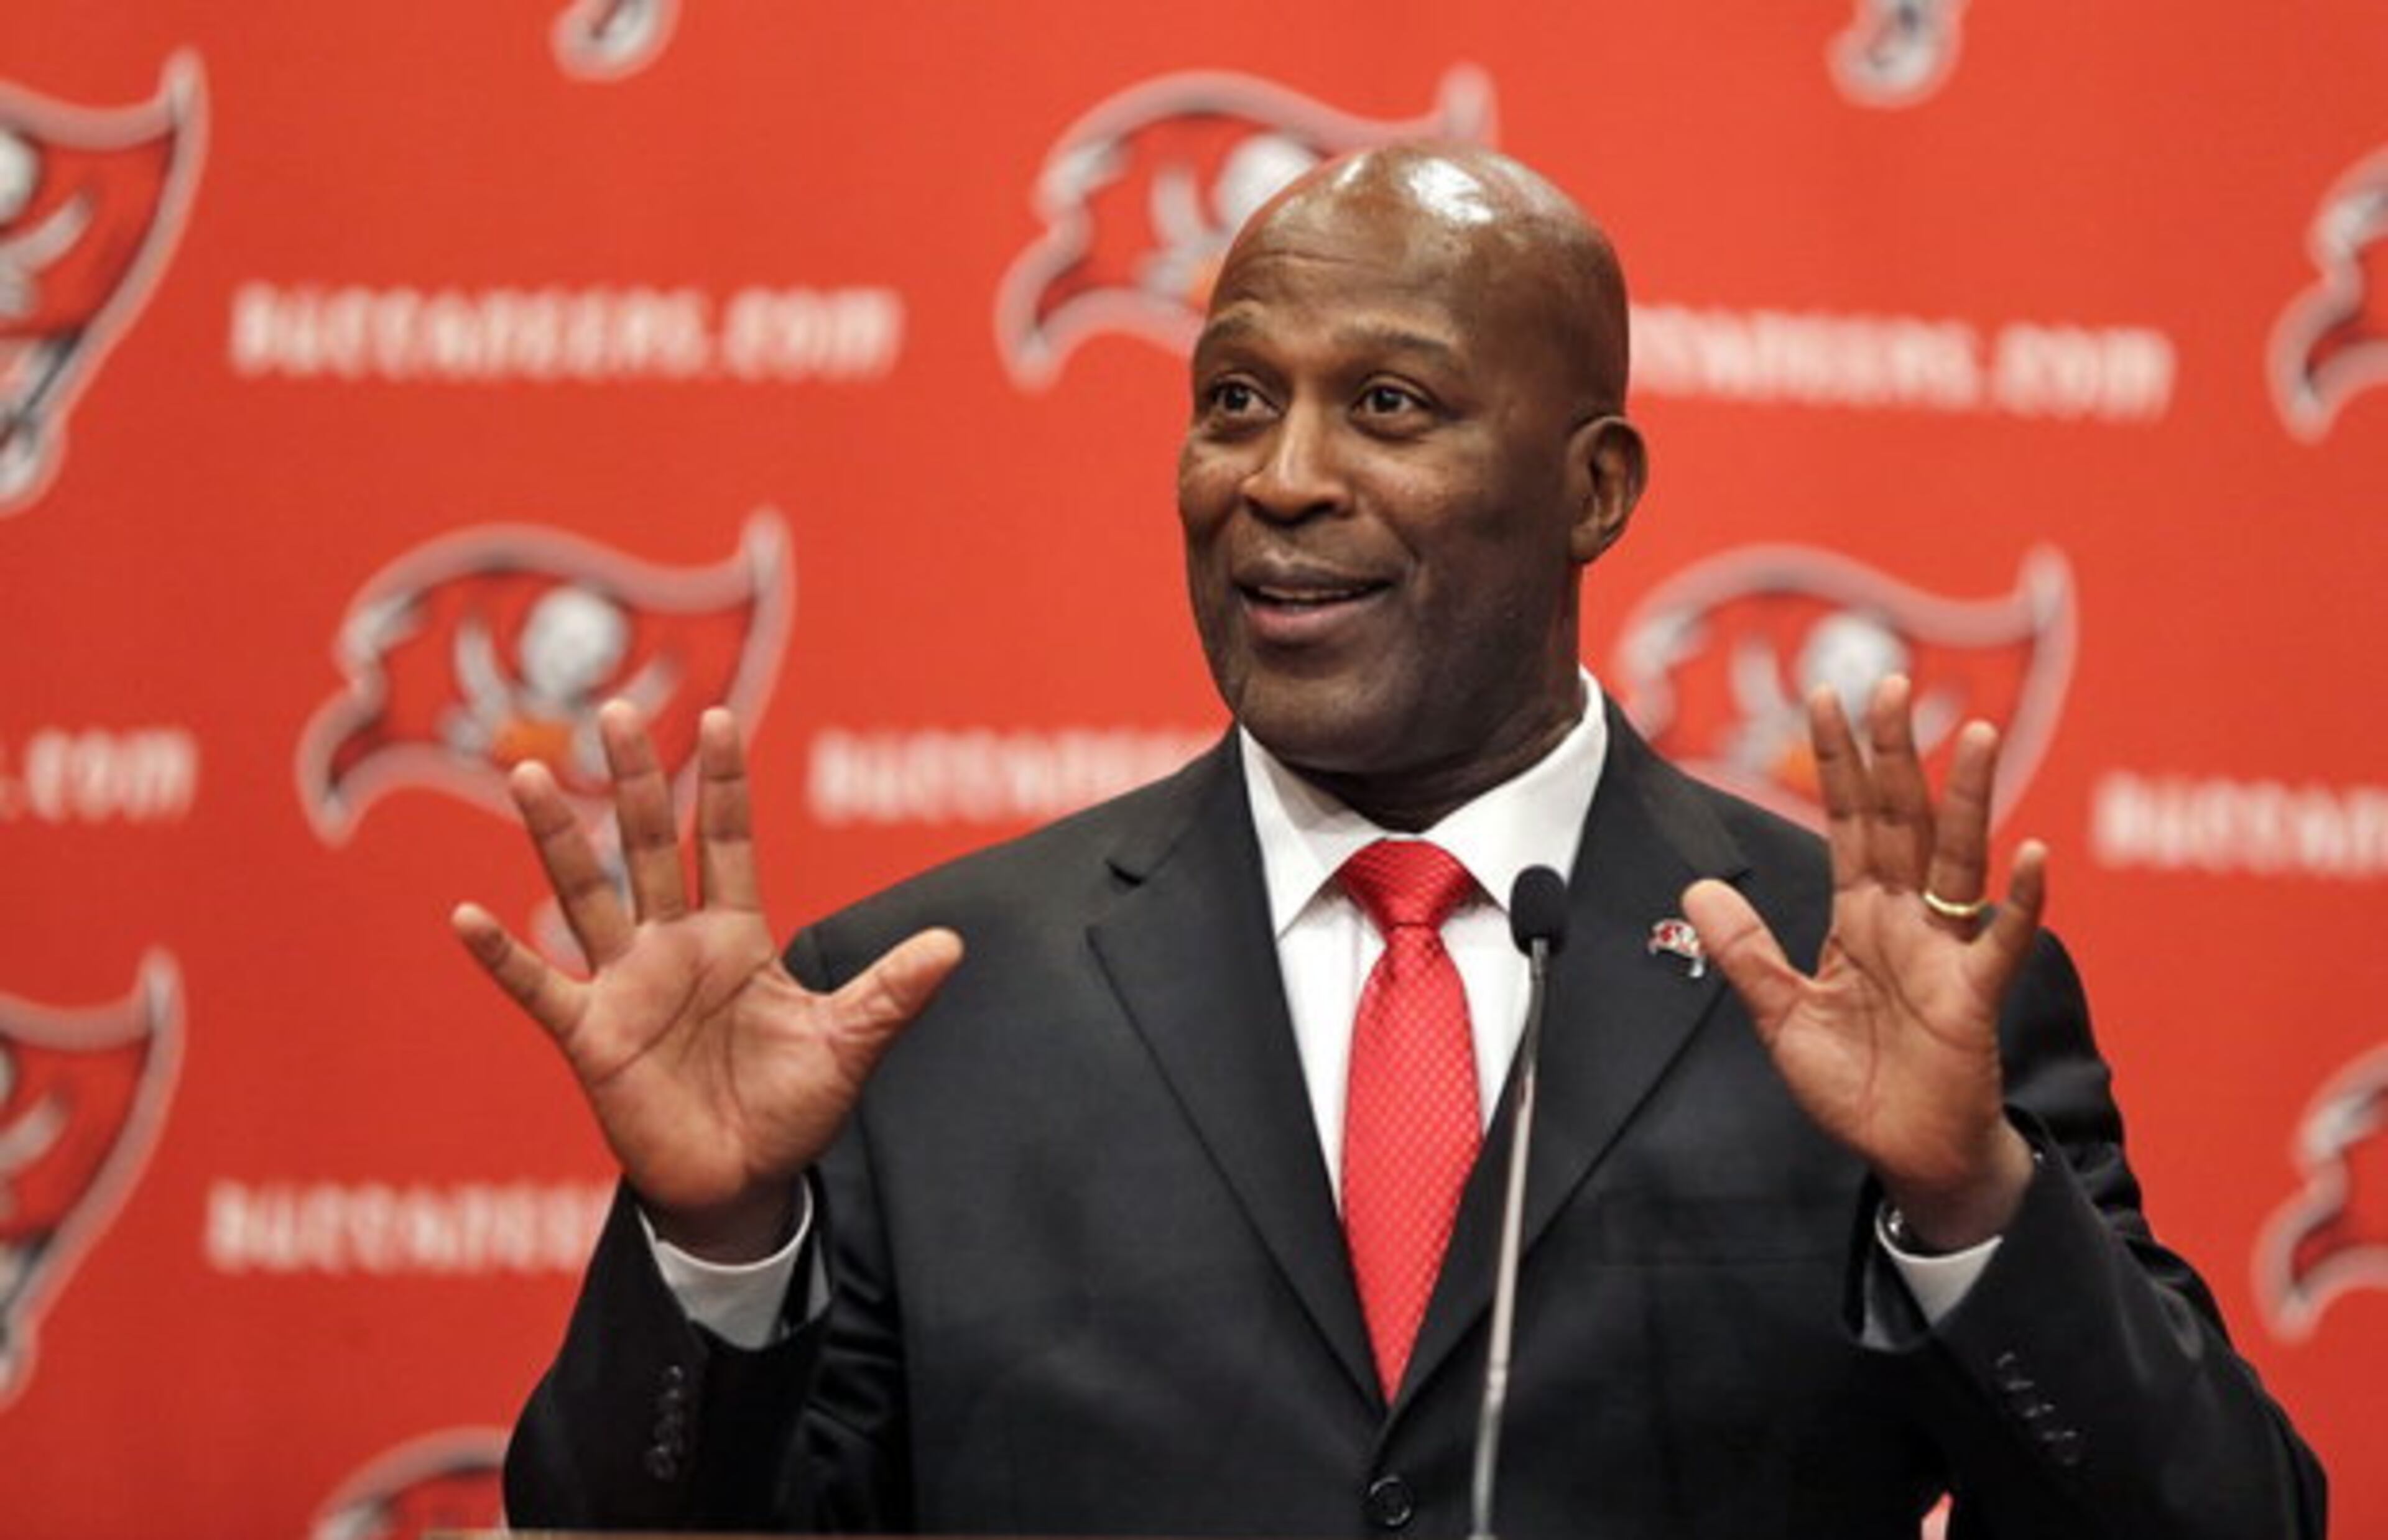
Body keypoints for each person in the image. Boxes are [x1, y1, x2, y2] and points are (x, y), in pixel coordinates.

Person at [456, 144, 2326, 1538]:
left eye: (1392, 407)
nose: (1280, 477)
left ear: (1593, 490)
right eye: (1236, 402)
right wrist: (715, 1247)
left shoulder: (1851, 980)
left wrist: (1970, 1212)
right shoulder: (917, 1003)